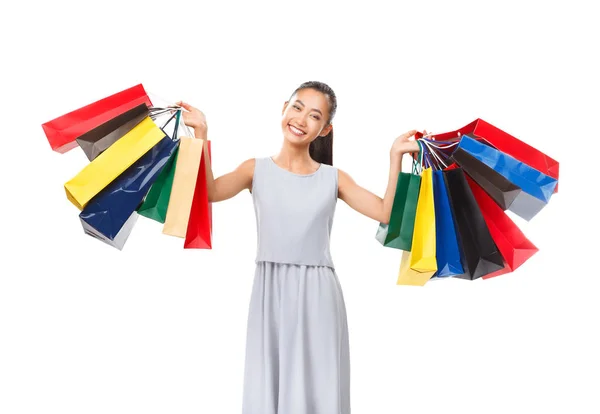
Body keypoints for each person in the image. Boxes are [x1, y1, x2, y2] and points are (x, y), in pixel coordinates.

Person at [176, 81, 419, 414]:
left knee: (317, 389)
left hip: (317, 294)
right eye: (297, 107)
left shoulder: (334, 178)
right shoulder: (255, 169)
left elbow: (384, 212)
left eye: (314, 115)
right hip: (269, 291)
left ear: (325, 129)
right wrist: (200, 134)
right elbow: (209, 192)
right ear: (284, 109)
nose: (302, 119)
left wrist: (395, 157)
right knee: (268, 385)